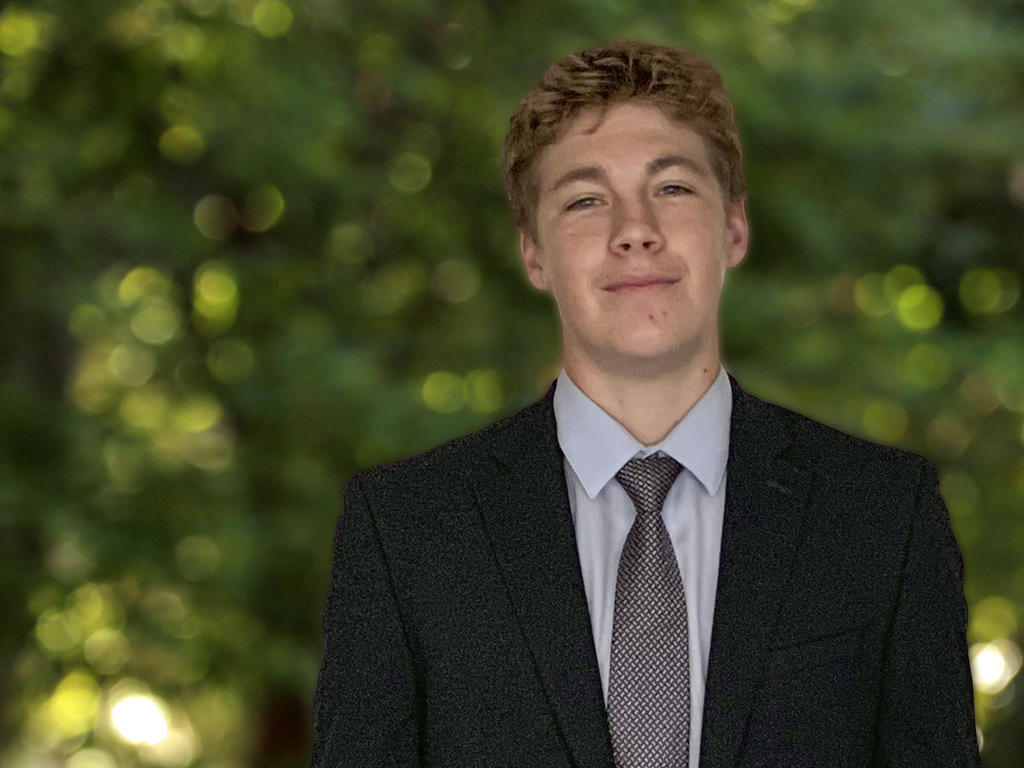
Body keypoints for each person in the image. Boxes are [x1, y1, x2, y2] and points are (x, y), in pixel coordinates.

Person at [312, 41, 980, 767]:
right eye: (586, 199)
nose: (635, 229)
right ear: (534, 253)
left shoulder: (882, 516)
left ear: (733, 227)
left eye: (672, 188)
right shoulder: (407, 532)